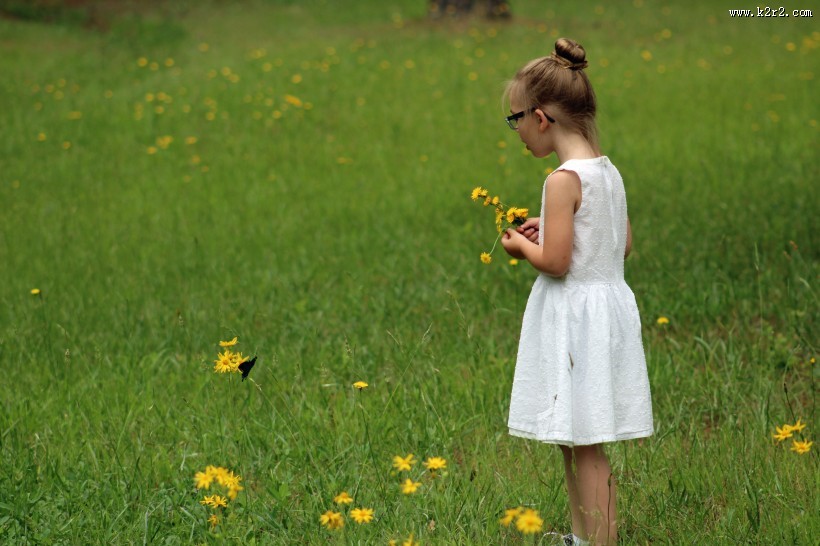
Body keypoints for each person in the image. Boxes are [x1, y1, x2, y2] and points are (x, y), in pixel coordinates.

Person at [500, 38, 654, 546]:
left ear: (541, 117)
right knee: (575, 440)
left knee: (585, 447)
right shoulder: (607, 171)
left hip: (576, 323)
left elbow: (559, 263)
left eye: (516, 118)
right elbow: (621, 242)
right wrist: (554, 223)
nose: (516, 130)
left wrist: (521, 248)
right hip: (605, 313)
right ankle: (582, 537)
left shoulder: (561, 180)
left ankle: (600, 543)